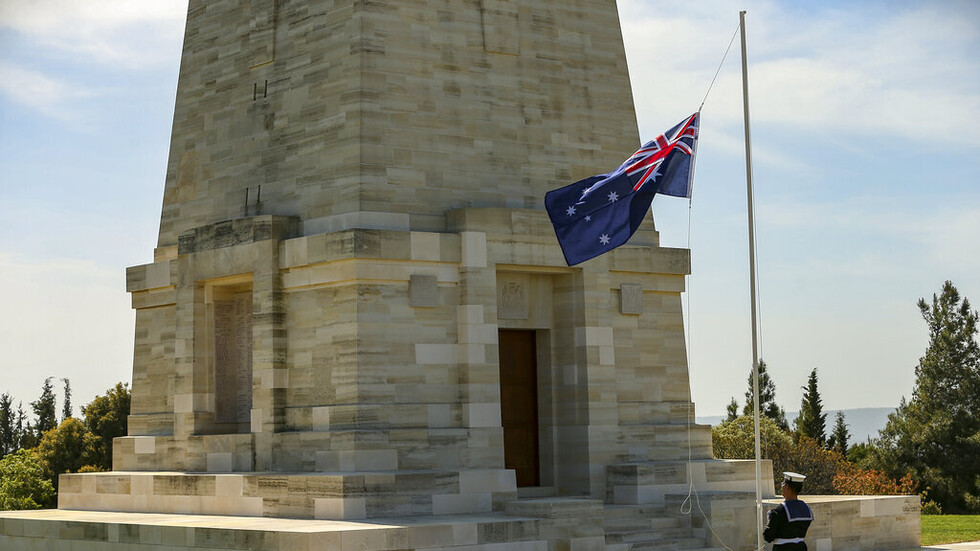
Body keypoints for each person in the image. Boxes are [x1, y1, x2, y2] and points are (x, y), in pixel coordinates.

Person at [763, 471, 814, 550]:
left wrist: (770, 520)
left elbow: (768, 537)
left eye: (783, 483)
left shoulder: (779, 511)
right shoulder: (806, 508)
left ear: (787, 487)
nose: (782, 485)